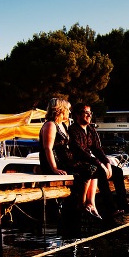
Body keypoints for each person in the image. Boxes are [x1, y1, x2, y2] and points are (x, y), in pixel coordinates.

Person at [38, 94, 101, 222]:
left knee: (94, 168)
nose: (69, 112)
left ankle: (90, 203)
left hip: (64, 161)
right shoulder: (50, 125)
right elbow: (48, 148)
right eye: (67, 109)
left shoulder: (63, 125)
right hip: (53, 163)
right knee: (88, 170)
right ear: (60, 110)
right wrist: (54, 168)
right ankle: (81, 204)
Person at [69, 103, 129, 214]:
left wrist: (106, 162)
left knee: (118, 172)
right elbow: (80, 152)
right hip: (82, 163)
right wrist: (100, 164)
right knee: (101, 174)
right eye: (86, 113)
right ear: (77, 115)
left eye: (90, 113)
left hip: (95, 162)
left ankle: (124, 205)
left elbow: (97, 149)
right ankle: (111, 209)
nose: (89, 115)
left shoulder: (90, 129)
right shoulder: (73, 130)